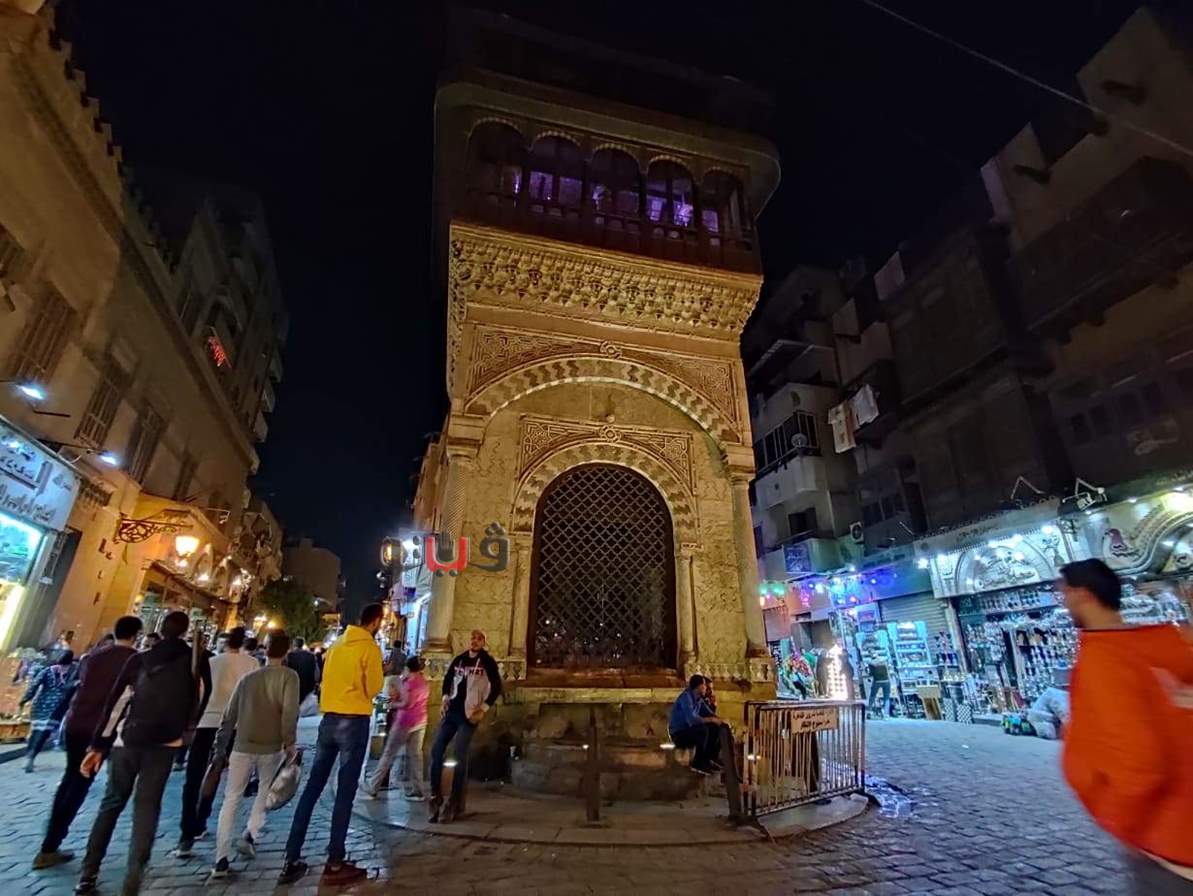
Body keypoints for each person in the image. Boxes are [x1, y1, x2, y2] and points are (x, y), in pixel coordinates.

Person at [1060, 559, 1193, 895]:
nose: (1063, 602)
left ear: (1082, 594)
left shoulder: (1104, 659)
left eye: (1064, 594)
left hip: (1168, 842)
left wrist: (1122, 824)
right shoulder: (1167, 645)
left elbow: (1141, 764)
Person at [74, 610, 210, 896]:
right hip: (167, 744)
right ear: (185, 632)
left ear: (160, 629)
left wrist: (99, 744)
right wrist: (185, 731)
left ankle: (89, 872)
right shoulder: (195, 662)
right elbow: (200, 698)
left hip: (128, 740)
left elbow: (117, 704)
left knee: (112, 801)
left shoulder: (140, 659)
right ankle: (134, 875)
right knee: (147, 807)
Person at [278, 603, 384, 886]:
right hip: (353, 721)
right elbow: (374, 688)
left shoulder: (337, 645)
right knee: (345, 793)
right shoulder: (369, 648)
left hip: (329, 721)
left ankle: (292, 856)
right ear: (376, 622)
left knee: (312, 788)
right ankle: (335, 861)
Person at [34, 616, 143, 870]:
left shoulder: (92, 657)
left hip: (75, 723)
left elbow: (76, 687)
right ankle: (51, 845)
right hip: (100, 731)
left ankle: (50, 841)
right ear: (136, 635)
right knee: (80, 783)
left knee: (70, 778)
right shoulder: (135, 661)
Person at [210, 631, 299, 879]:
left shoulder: (248, 679)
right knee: (263, 792)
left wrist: (220, 748)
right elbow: (289, 712)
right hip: (271, 746)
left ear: (265, 649)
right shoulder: (289, 677)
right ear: (287, 651)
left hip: (242, 745)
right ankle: (250, 834)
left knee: (231, 798)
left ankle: (220, 858)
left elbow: (229, 717)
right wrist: (290, 742)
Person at [173, 626, 258, 857]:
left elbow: (198, 693)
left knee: (194, 777)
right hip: (235, 724)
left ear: (225, 642)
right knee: (218, 773)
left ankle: (187, 833)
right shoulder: (251, 664)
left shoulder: (212, 662)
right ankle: (206, 818)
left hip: (207, 721)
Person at [428, 629, 503, 824]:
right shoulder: (460, 660)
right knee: (437, 750)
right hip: (452, 711)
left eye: (479, 639)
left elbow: (496, 686)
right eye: (472, 638)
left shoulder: (487, 662)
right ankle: (435, 795)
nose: (474, 641)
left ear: (484, 642)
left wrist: (483, 709)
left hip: (469, 714)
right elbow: (448, 679)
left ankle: (454, 801)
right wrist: (445, 698)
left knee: (459, 753)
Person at [366, 655, 429, 800]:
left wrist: (391, 705)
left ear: (407, 668)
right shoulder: (423, 682)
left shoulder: (410, 684)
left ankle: (373, 785)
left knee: (388, 754)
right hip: (420, 721)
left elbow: (407, 703)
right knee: (416, 756)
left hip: (404, 722)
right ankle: (418, 790)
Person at [20, 649, 76, 772]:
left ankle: (29, 756)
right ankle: (31, 756)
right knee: (43, 733)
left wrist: (24, 700)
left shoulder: (47, 670)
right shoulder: (73, 673)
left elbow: (34, 686)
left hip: (40, 705)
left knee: (36, 731)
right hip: (57, 708)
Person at [668, 675, 725, 774]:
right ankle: (698, 763)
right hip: (679, 734)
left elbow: (710, 714)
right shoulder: (686, 698)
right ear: (699, 687)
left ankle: (709, 759)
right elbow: (692, 720)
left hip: (690, 731)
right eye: (704, 686)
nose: (706, 688)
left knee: (716, 728)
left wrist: (721, 721)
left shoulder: (699, 700)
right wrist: (712, 719)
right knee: (702, 730)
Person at [284, 636, 320, 704]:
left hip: (293, 687)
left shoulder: (288, 656)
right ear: (303, 644)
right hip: (308, 687)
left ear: (294, 644)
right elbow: (317, 673)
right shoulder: (311, 656)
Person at [866, 653, 892, 717]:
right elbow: (888, 670)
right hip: (886, 681)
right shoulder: (884, 661)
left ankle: (869, 711)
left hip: (877, 681)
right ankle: (886, 714)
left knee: (872, 696)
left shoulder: (871, 663)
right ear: (878, 656)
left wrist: (867, 673)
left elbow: (871, 674)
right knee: (886, 697)